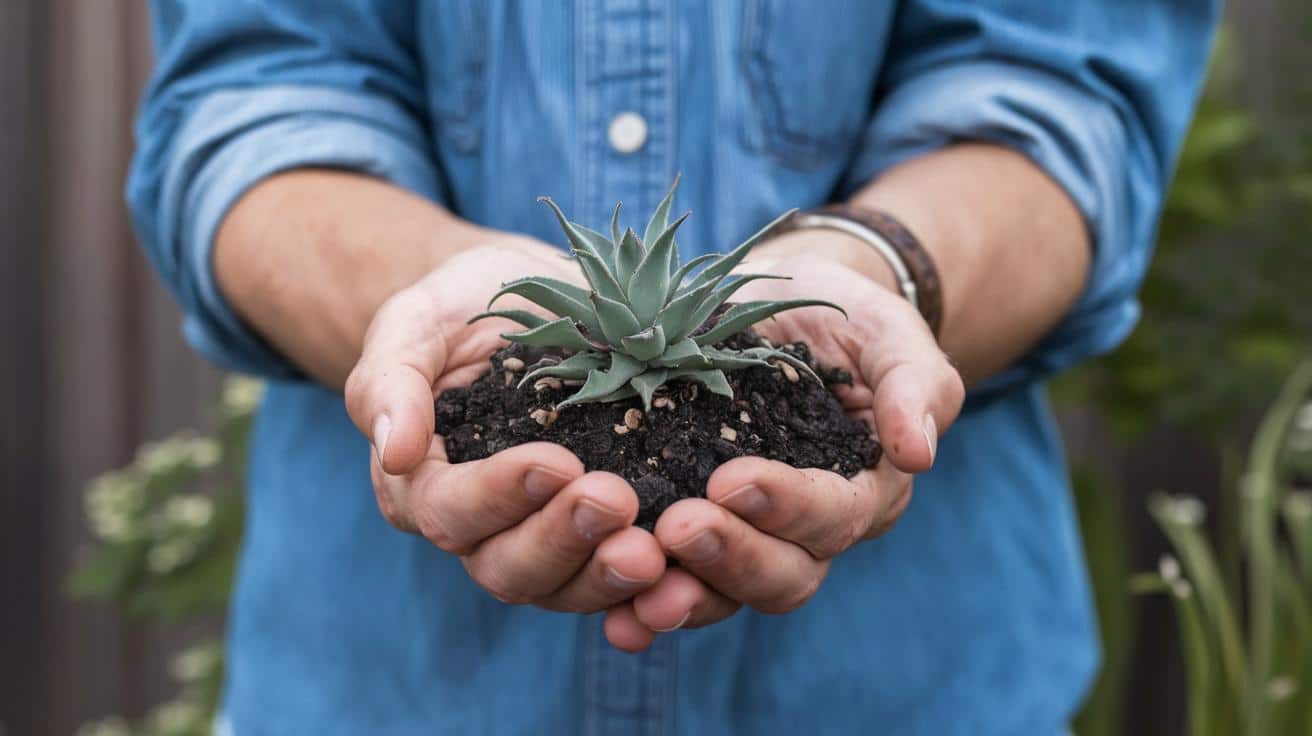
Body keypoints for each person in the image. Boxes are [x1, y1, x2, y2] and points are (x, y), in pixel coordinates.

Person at [128, 1, 1219, 733]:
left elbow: (1062, 96)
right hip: (380, 686)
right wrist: (426, 285)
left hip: (910, 687)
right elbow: (253, 97)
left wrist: (876, 271)